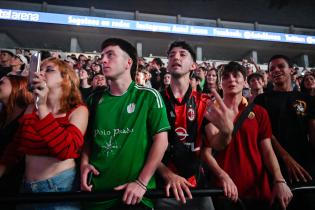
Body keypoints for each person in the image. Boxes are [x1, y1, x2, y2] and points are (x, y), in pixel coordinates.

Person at [80, 38, 170, 210]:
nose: (103, 60)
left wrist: (141, 183)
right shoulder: (94, 99)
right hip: (96, 194)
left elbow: (161, 141)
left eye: (110, 55)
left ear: (128, 62)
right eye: (102, 56)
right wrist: (84, 163)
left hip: (136, 197)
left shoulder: (149, 96)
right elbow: (88, 139)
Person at [0, 57, 88, 210]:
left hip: (58, 189)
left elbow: (66, 149)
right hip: (26, 190)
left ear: (65, 79)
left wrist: (42, 107)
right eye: (40, 69)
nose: (40, 73)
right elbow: (16, 146)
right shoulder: (30, 108)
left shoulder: (78, 110)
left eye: (49, 70)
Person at [203, 61, 292, 210]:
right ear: (220, 83)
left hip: (258, 191)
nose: (231, 79)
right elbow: (209, 150)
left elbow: (267, 150)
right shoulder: (210, 112)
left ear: (245, 82)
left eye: (236, 75)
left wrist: (279, 180)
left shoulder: (259, 112)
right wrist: (222, 176)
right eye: (225, 77)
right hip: (223, 191)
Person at [156, 41, 233, 210]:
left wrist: (227, 132)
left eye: (182, 54)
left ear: (193, 66)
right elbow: (145, 147)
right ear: (167, 64)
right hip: (162, 188)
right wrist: (168, 175)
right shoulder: (154, 100)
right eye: (171, 55)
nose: (176, 57)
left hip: (196, 186)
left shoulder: (204, 102)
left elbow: (216, 142)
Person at [254, 55, 315, 210]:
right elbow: (264, 133)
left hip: (305, 167)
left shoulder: (306, 99)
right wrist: (286, 157)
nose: (276, 70)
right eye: (272, 69)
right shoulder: (262, 99)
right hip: (274, 166)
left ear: (292, 70)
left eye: (280, 66)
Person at [0, 75, 32, 210]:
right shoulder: (4, 114)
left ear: (17, 87)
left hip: (12, 185)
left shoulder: (27, 115)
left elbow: (17, 150)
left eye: (1, 82)